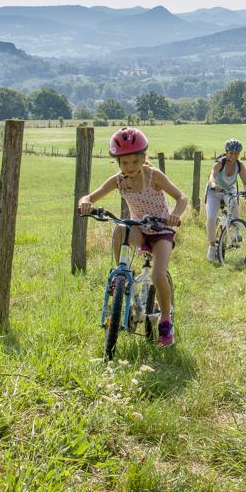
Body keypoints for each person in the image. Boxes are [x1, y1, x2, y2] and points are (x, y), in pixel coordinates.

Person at [77, 127, 188, 346]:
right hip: (138, 227)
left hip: (161, 230)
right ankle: (122, 274)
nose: (130, 168)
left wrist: (175, 215)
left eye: (135, 162)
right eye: (124, 163)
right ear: (118, 162)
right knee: (120, 227)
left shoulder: (154, 176)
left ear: (144, 158)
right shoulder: (119, 180)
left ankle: (165, 319)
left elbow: (181, 197)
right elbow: (91, 195)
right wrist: (85, 202)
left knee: (158, 275)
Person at [204, 137, 246, 263]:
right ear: (226, 152)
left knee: (234, 202)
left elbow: (245, 181)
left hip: (228, 190)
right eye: (231, 153)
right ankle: (212, 245)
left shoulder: (240, 166)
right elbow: (212, 176)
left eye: (236, 153)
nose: (233, 156)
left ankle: (236, 230)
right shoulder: (220, 163)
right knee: (211, 218)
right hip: (214, 192)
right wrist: (213, 185)